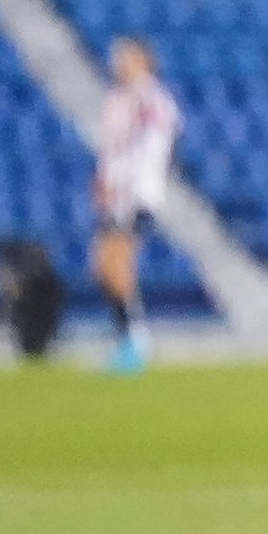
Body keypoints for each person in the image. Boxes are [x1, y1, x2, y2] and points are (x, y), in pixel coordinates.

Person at [89, 36, 180, 374]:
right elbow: (112, 147)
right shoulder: (117, 98)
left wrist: (131, 186)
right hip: (116, 194)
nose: (119, 61)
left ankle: (135, 340)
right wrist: (103, 180)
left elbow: (155, 147)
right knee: (103, 265)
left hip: (136, 194)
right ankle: (128, 335)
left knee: (116, 261)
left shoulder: (152, 97)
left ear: (144, 59)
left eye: (126, 55)